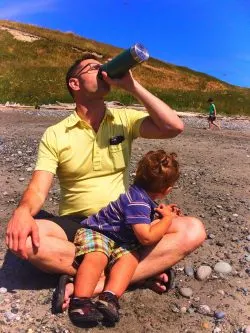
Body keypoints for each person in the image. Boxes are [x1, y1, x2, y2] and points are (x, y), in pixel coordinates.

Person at [5, 53, 206, 311]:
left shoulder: (123, 119)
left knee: (193, 230)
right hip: (80, 225)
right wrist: (23, 211)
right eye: (93, 68)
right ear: (74, 84)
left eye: (103, 66)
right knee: (29, 241)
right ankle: (135, 272)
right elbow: (38, 187)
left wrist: (131, 86)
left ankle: (95, 283)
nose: (102, 70)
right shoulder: (55, 134)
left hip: (126, 218)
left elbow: (173, 127)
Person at [69, 150, 180, 325]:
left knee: (130, 259)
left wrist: (160, 213)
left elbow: (141, 218)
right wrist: (167, 219)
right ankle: (80, 301)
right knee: (97, 256)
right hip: (98, 231)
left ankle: (109, 297)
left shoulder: (140, 196)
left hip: (120, 239)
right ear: (167, 190)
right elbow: (146, 238)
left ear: (137, 175)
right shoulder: (138, 202)